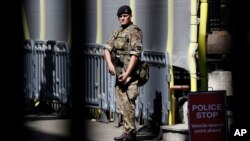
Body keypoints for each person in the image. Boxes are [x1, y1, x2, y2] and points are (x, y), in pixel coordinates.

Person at [103, 5, 143, 141]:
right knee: (121, 104)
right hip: (120, 74)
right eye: (120, 16)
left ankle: (131, 135)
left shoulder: (135, 31)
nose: (122, 18)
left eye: (125, 16)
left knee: (129, 104)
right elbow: (106, 49)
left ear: (130, 16)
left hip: (130, 75)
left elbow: (135, 55)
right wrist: (110, 64)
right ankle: (127, 132)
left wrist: (127, 74)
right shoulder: (117, 31)